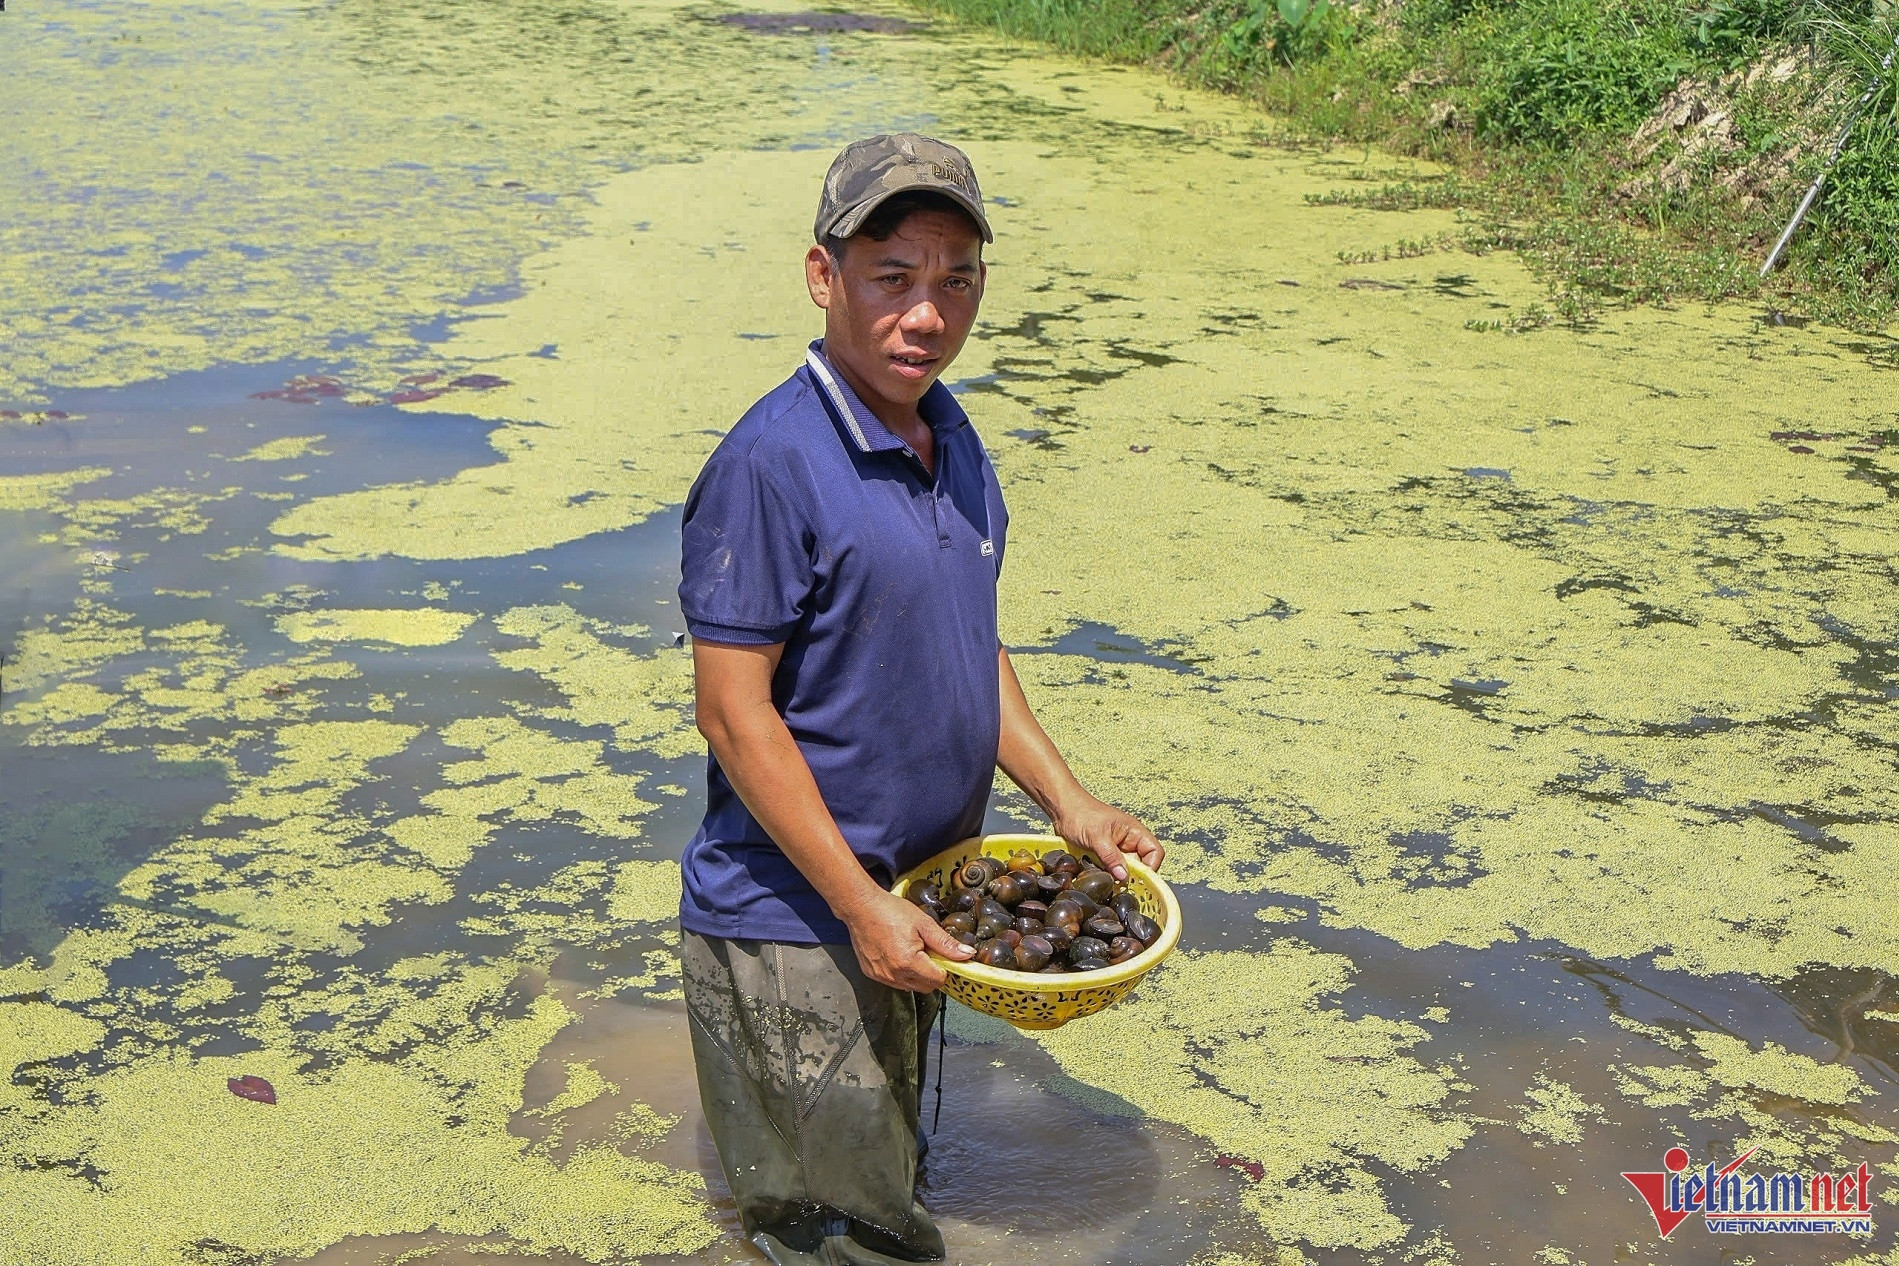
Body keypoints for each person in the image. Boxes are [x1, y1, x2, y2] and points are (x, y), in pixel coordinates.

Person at [676, 133, 1164, 1266]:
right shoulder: (771, 464)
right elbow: (732, 715)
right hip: (801, 924)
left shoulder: (949, 435)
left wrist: (1071, 802)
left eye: (956, 282)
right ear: (824, 277)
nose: (926, 316)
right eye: (893, 277)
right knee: (841, 1236)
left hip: (916, 907)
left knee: (885, 1187)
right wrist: (856, 905)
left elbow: (968, 644)